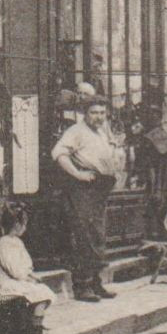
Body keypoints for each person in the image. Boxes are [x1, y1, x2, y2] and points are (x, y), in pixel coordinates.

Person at [51, 95, 119, 301]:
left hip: (99, 188)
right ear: (85, 114)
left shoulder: (100, 131)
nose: (99, 117)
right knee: (84, 235)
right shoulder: (76, 131)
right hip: (83, 188)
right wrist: (78, 174)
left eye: (102, 113)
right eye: (94, 113)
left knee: (97, 235)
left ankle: (96, 283)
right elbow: (58, 153)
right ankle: (82, 286)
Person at [0, 202, 55, 334]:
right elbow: (14, 269)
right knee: (41, 293)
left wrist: (30, 275)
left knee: (40, 290)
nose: (25, 228)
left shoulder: (16, 241)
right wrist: (26, 276)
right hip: (6, 281)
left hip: (17, 278)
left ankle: (32, 329)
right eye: (24, 224)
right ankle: (35, 333)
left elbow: (24, 265)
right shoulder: (5, 243)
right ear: (17, 225)